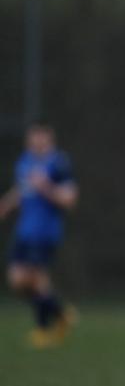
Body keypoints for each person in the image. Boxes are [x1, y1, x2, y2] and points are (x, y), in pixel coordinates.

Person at [0, 123, 79, 348]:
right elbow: (23, 188)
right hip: (24, 229)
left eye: (41, 135)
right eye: (33, 135)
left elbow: (70, 199)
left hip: (45, 231)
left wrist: (46, 187)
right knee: (16, 281)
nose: (36, 139)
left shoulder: (59, 164)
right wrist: (7, 203)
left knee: (36, 277)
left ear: (50, 137)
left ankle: (43, 328)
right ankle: (60, 312)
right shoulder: (24, 161)